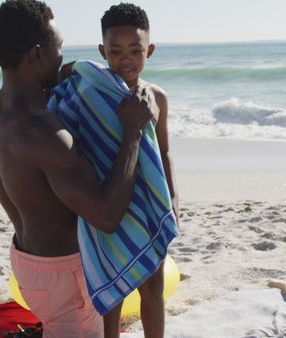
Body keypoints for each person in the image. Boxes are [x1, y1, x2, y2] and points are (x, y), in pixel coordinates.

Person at [0, 1, 153, 337]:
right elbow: (106, 215)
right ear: (36, 55)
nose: (62, 56)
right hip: (64, 276)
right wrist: (133, 130)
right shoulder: (42, 130)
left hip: (26, 261)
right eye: (58, 47)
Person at [94, 3, 178, 338]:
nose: (125, 59)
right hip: (109, 202)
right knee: (112, 288)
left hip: (147, 203)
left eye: (135, 50)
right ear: (103, 51)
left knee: (152, 286)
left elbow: (165, 151)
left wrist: (172, 198)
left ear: (150, 50)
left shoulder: (157, 97)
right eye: (115, 51)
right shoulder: (95, 93)